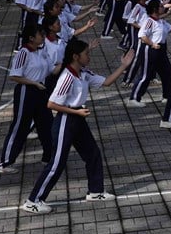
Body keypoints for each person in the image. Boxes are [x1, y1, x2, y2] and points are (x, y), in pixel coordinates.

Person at [21, 40, 134, 214]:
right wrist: (76, 113)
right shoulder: (67, 77)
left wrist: (124, 66)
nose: (89, 56)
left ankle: (95, 191)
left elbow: (107, 82)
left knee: (93, 153)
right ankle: (33, 200)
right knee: (57, 163)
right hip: (67, 120)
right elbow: (51, 104)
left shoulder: (83, 73)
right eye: (86, 53)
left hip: (78, 119)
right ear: (76, 56)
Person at [0, 24, 55, 173]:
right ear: (31, 38)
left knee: (47, 124)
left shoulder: (41, 51)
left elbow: (51, 69)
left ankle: (49, 157)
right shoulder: (24, 52)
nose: (42, 37)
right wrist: (34, 83)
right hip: (26, 91)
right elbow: (15, 75)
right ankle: (5, 162)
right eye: (39, 34)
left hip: (41, 91)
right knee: (20, 126)